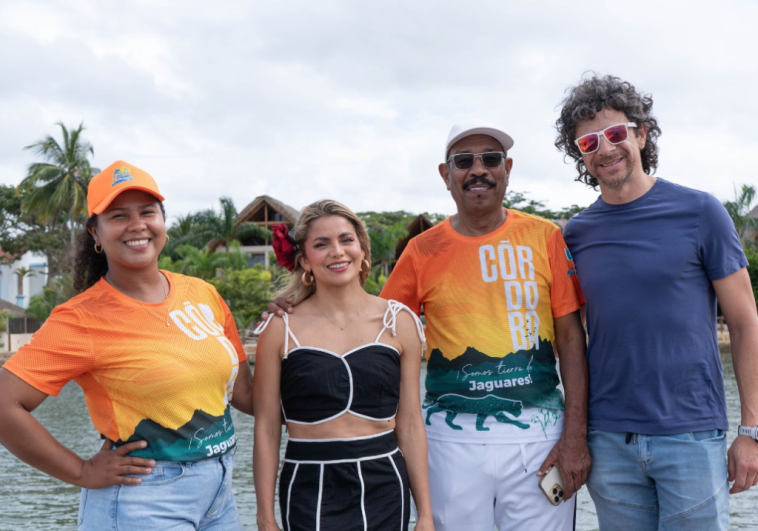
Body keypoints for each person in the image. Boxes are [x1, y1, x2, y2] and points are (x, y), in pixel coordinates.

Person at [267, 123, 590, 531]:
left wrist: (575, 438)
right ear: (445, 174)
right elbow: (369, 318)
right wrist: (298, 304)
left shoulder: (545, 237)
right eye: (463, 161)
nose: (478, 170)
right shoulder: (422, 251)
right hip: (449, 443)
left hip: (541, 435)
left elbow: (571, 339)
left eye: (490, 159)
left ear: (507, 168)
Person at [0, 160, 253, 530]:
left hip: (219, 495)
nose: (137, 225)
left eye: (148, 212)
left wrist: (301, 320)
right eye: (118, 215)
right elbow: (5, 405)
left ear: (163, 222)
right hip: (143, 501)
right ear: (96, 234)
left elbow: (245, 394)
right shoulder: (81, 318)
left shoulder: (203, 294)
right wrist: (82, 471)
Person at [555, 74, 758, 530]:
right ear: (580, 155)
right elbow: (574, 338)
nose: (604, 149)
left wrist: (752, 431)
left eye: (615, 133)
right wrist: (577, 435)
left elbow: (745, 323)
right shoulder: (576, 234)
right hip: (607, 441)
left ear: (641, 134)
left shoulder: (701, 212)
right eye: (589, 141)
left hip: (691, 436)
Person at [253, 200, 434, 531]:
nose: (337, 252)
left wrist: (424, 515)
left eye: (346, 240)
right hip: (309, 486)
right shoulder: (280, 328)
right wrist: (265, 518)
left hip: (386, 484)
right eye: (321, 244)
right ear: (305, 259)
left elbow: (409, 424)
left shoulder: (399, 322)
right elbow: (266, 429)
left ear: (362, 249)